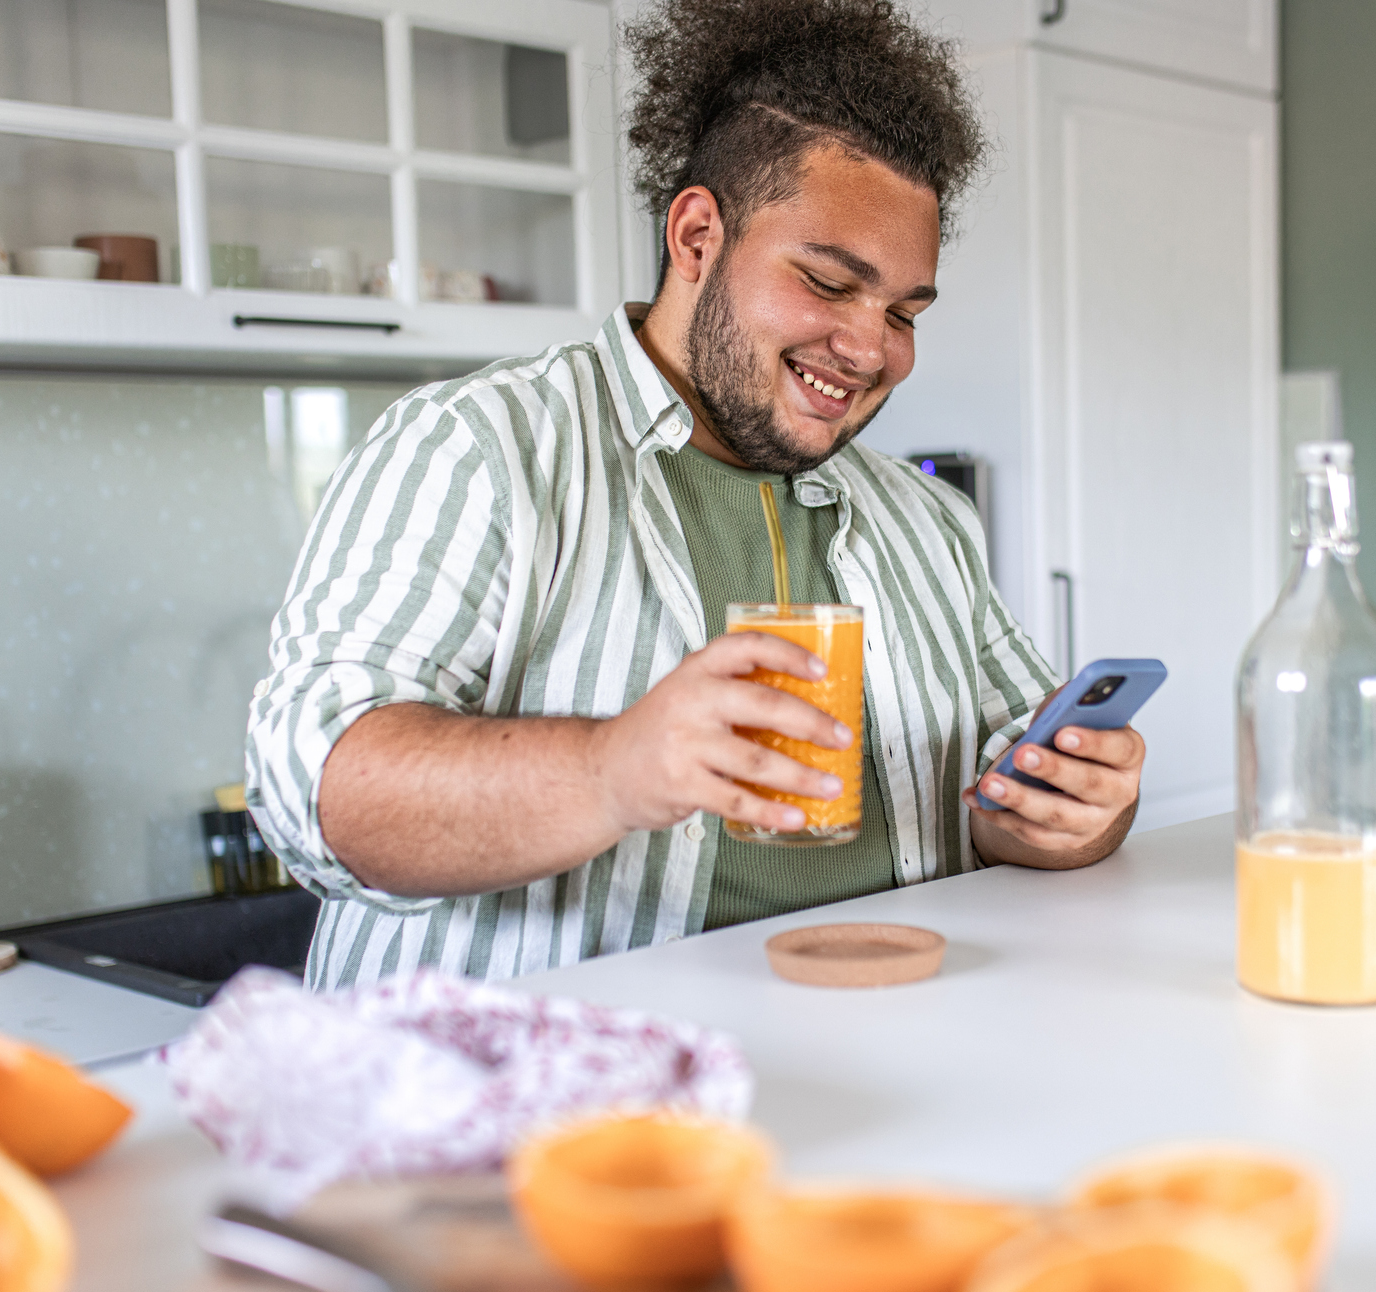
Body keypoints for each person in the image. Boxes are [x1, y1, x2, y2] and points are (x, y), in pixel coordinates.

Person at [245, 0, 1146, 987]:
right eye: (827, 281)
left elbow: (1019, 788)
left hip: (880, 1064)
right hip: (541, 1102)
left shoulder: (924, 518)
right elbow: (314, 792)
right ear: (695, 236)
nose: (872, 348)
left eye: (901, 310)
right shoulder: (480, 446)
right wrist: (613, 769)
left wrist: (1071, 814)